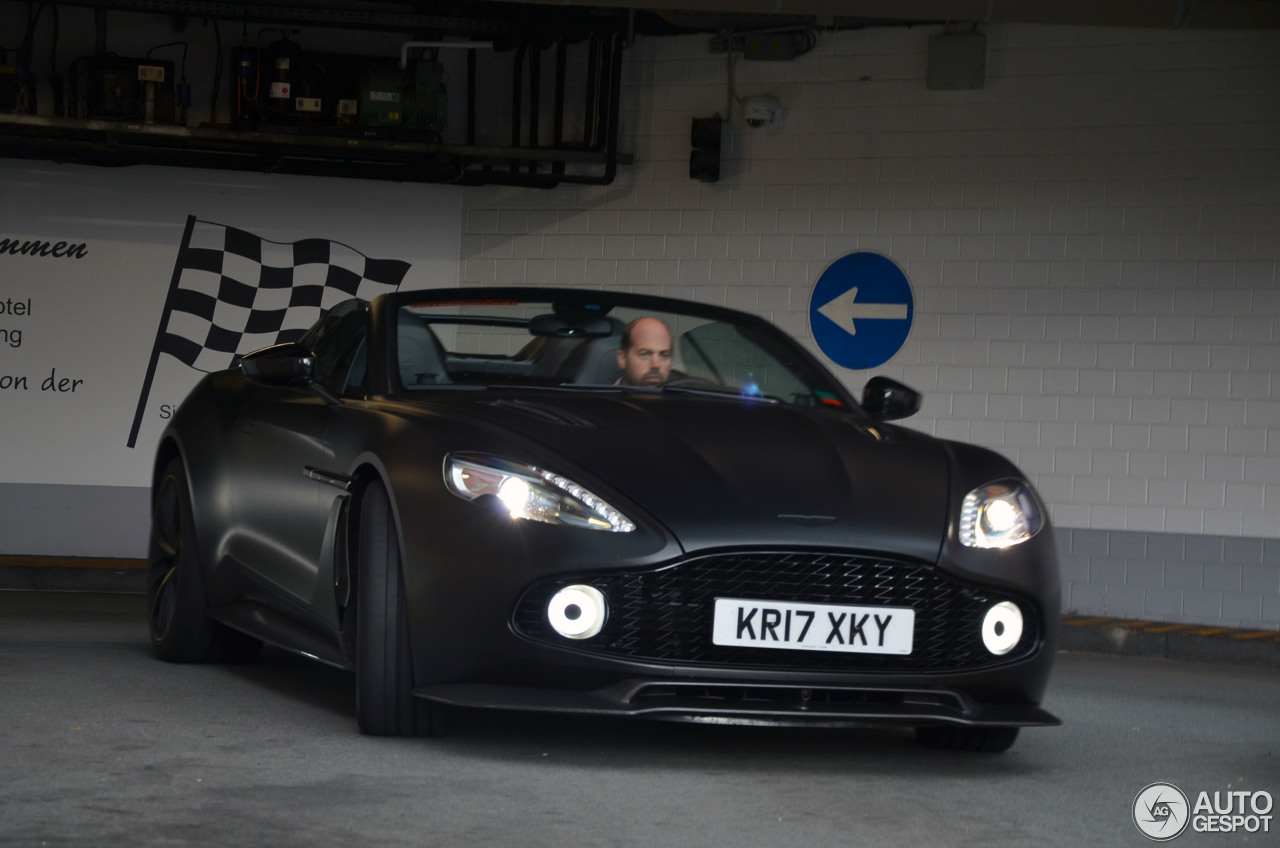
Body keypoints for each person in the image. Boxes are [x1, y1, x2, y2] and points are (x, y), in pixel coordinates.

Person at [616, 316, 672, 387]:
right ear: (622, 358)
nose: (656, 365)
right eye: (644, 354)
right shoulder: (601, 397)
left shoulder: (681, 396)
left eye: (664, 355)